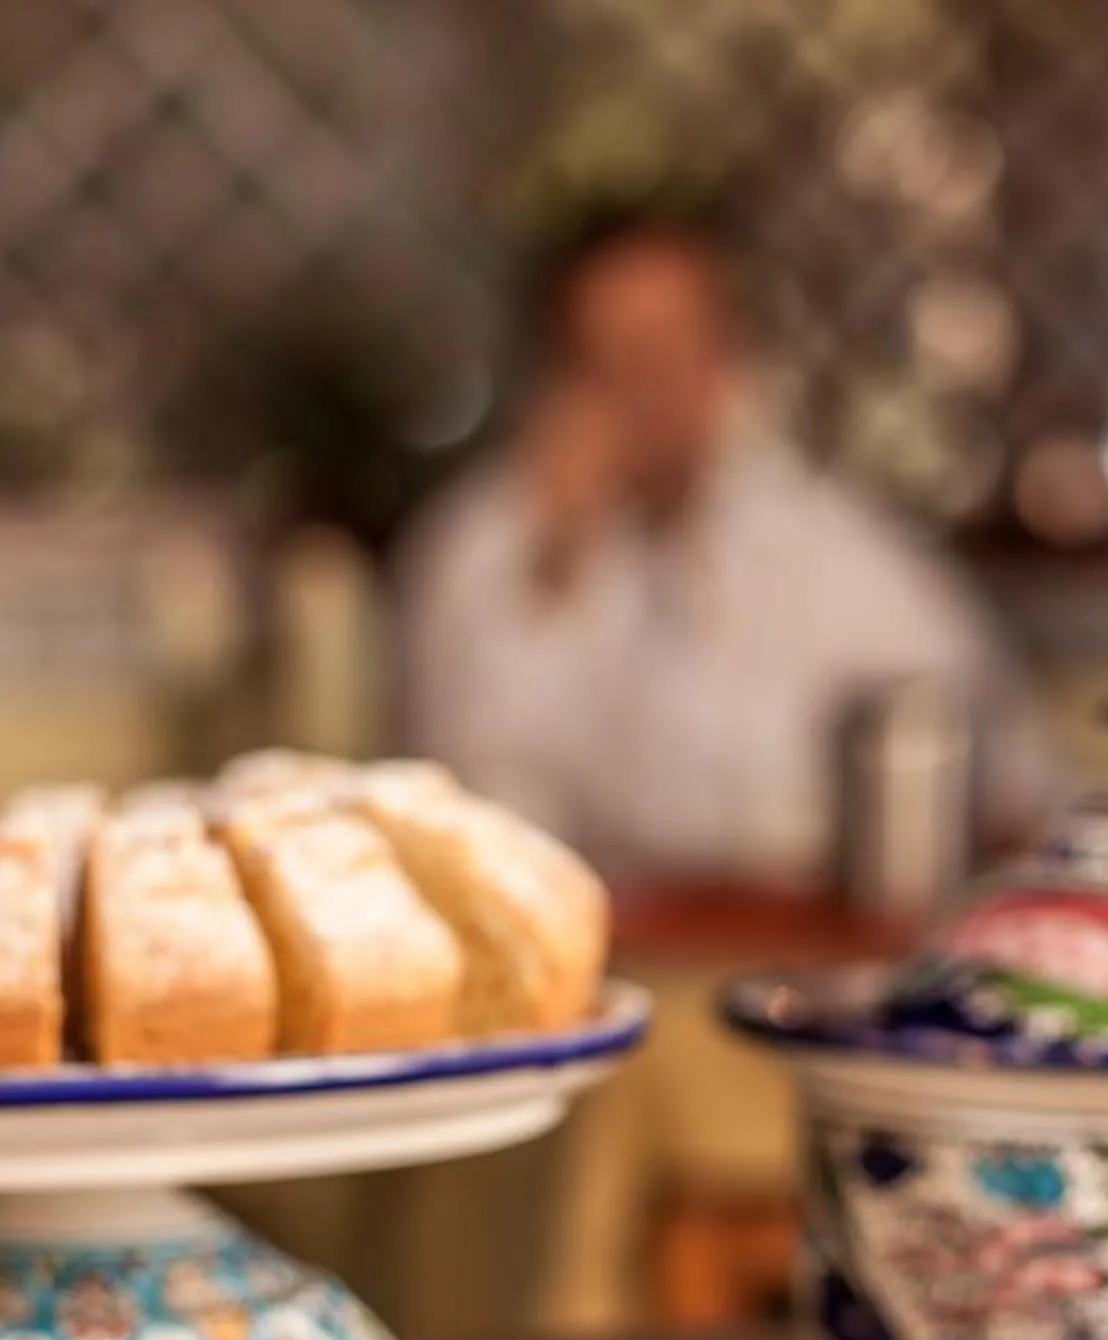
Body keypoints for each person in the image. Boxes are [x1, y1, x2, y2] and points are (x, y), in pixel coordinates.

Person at [397, 200, 1044, 891]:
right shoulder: (478, 548)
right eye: (615, 357)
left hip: (811, 950)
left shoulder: (836, 547)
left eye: (677, 348)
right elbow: (472, 816)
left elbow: (1012, 768)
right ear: (559, 375)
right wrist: (555, 568)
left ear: (728, 356)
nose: (652, 388)